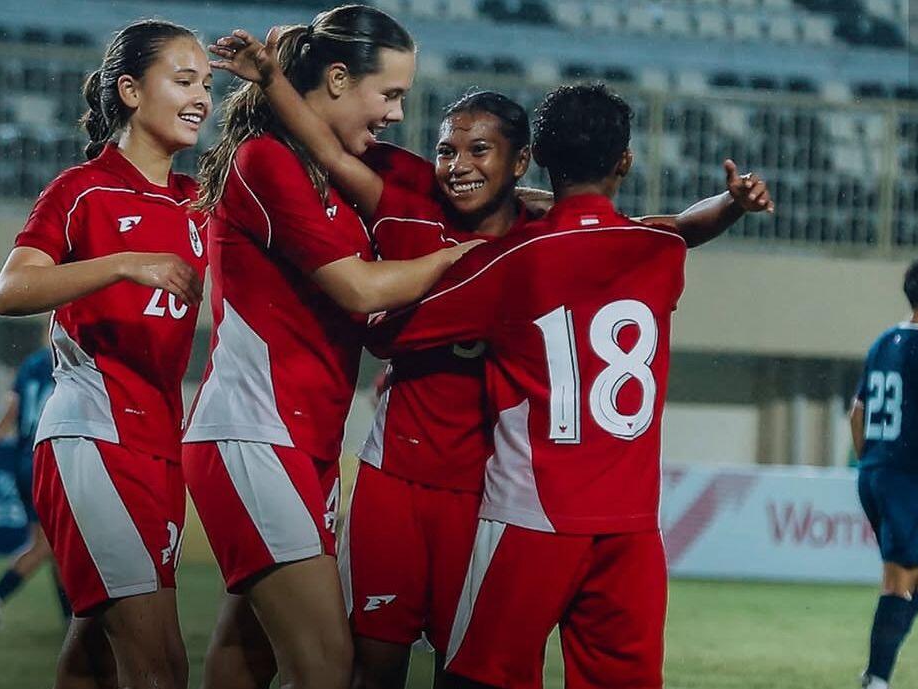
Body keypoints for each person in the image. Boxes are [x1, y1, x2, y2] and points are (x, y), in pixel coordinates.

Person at [211, 29, 773, 689]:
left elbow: (669, 226)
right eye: (446, 148)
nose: (457, 164)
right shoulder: (409, 194)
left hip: (482, 494)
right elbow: (330, 147)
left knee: (473, 665)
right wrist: (272, 79)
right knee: (375, 662)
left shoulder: (531, 241)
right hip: (396, 475)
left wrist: (728, 207)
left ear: (522, 162)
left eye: (480, 150)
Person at [366, 83, 772, 689]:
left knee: (476, 677)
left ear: (537, 161)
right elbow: (680, 227)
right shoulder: (659, 250)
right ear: (626, 161)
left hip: (532, 518)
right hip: (631, 528)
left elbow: (388, 334)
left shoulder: (510, 260)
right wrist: (735, 205)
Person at [181, 6, 481, 689]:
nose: (397, 115)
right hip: (253, 435)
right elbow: (357, 288)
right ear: (339, 79)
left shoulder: (344, 176)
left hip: (304, 443)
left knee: (246, 654)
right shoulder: (265, 161)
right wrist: (460, 258)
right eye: (391, 95)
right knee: (327, 667)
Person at [0, 18, 209, 689]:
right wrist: (123, 263)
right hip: (93, 437)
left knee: (93, 659)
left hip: (158, 446)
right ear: (131, 91)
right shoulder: (81, 189)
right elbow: (12, 289)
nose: (202, 96)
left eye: (206, 82)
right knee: (160, 667)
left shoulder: (200, 204)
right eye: (183, 79)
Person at [852, 261, 918, 689]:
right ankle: (876, 680)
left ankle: (877, 673)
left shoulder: (885, 341)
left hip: (879, 470)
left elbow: (857, 412)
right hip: (909, 476)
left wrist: (873, 464)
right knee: (899, 580)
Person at [0, 343, 70, 631]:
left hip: (24, 462)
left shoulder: (33, 363)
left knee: (51, 545)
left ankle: (71, 619)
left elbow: (10, 411)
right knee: (48, 544)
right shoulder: (75, 358)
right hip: (50, 459)